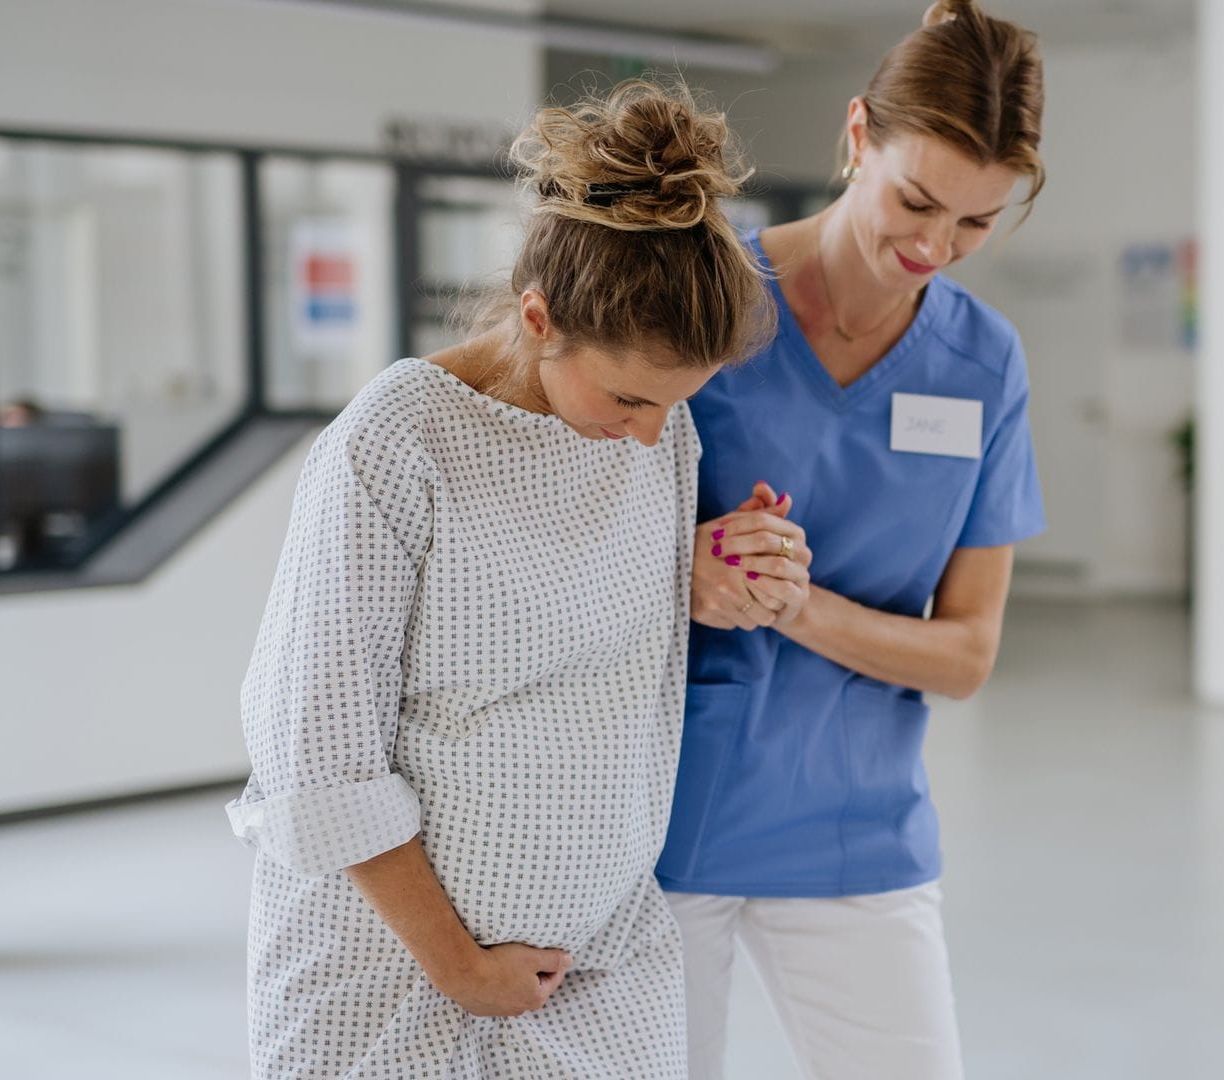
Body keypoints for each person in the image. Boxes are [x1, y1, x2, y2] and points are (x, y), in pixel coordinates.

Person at [225, 79, 785, 1079]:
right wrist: (459, 965)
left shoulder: (658, 437)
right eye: (628, 398)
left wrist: (719, 562)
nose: (649, 432)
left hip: (607, 970)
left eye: (674, 403)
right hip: (390, 979)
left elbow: (613, 634)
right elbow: (317, 754)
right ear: (538, 315)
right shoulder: (398, 441)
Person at [654, 3, 1048, 1077]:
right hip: (653, 822)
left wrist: (797, 604)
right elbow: (562, 535)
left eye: (974, 224)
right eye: (916, 200)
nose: (933, 246)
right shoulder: (701, 299)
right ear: (857, 135)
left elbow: (967, 654)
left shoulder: (982, 366)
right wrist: (682, 569)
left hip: (856, 831)